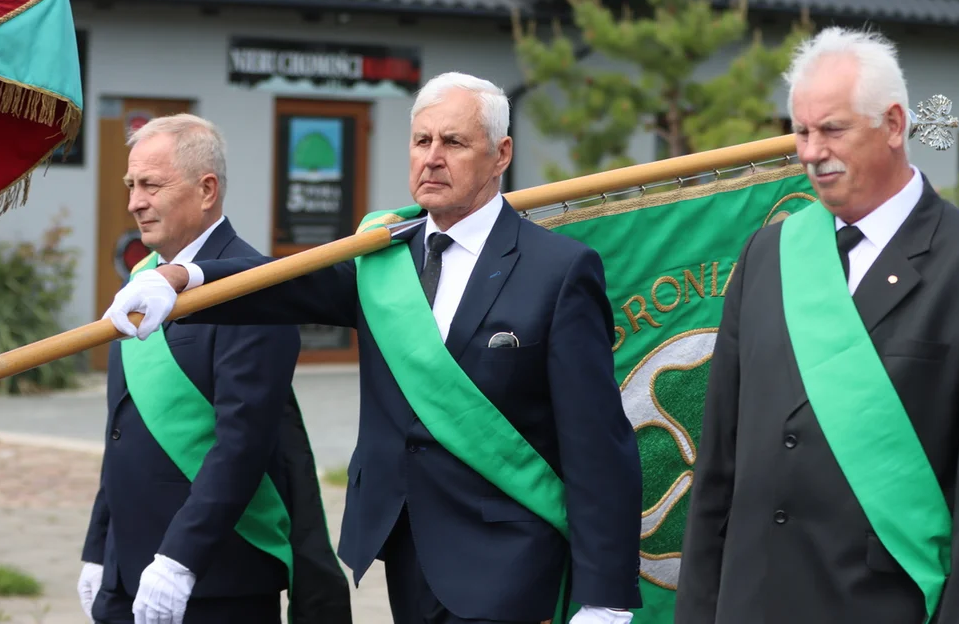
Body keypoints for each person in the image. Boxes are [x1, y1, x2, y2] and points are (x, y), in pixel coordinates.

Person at [102, 72, 644, 624]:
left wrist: (605, 596)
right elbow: (283, 281)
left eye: (453, 142)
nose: (432, 158)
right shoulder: (383, 256)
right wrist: (181, 277)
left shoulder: (557, 270)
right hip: (404, 546)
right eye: (421, 141)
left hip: (510, 555)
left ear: (501, 153)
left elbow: (598, 443)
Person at [675, 26, 959, 623]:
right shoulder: (767, 256)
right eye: (802, 131)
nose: (812, 152)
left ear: (893, 125)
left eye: (832, 129)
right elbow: (718, 470)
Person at [78, 114, 351, 624]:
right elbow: (122, 427)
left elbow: (241, 445)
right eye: (131, 185)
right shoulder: (142, 280)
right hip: (125, 571)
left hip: (212, 578)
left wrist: (180, 560)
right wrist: (98, 548)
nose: (135, 201)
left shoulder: (261, 288)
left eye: (151, 185)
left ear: (207, 190)